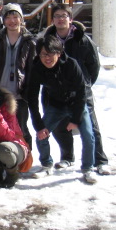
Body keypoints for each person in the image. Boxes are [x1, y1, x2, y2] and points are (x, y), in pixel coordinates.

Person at [44, 3, 110, 175]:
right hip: (56, 92)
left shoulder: (83, 40)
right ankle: (67, 157)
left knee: (90, 127)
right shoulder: (48, 40)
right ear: (53, 20)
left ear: (70, 19)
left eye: (63, 16)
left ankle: (100, 161)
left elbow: (93, 65)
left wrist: (85, 83)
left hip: (81, 92)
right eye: (57, 16)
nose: (60, 19)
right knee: (60, 126)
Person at [26, 35, 98, 184]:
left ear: (58, 53)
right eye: (43, 54)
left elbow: (81, 93)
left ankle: (88, 168)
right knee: (41, 135)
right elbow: (32, 98)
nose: (47, 58)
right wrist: (39, 126)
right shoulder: (37, 68)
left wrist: (75, 119)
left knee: (88, 135)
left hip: (76, 104)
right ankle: (46, 164)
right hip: (56, 105)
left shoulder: (71, 64)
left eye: (50, 54)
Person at [0, 4, 36, 149]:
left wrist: (29, 92)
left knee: (21, 128)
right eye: (8, 17)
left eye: (15, 17)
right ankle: (2, 156)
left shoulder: (29, 41)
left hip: (19, 93)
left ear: (21, 19)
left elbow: (31, 69)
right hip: (0, 91)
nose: (12, 21)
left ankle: (26, 156)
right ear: (3, 20)